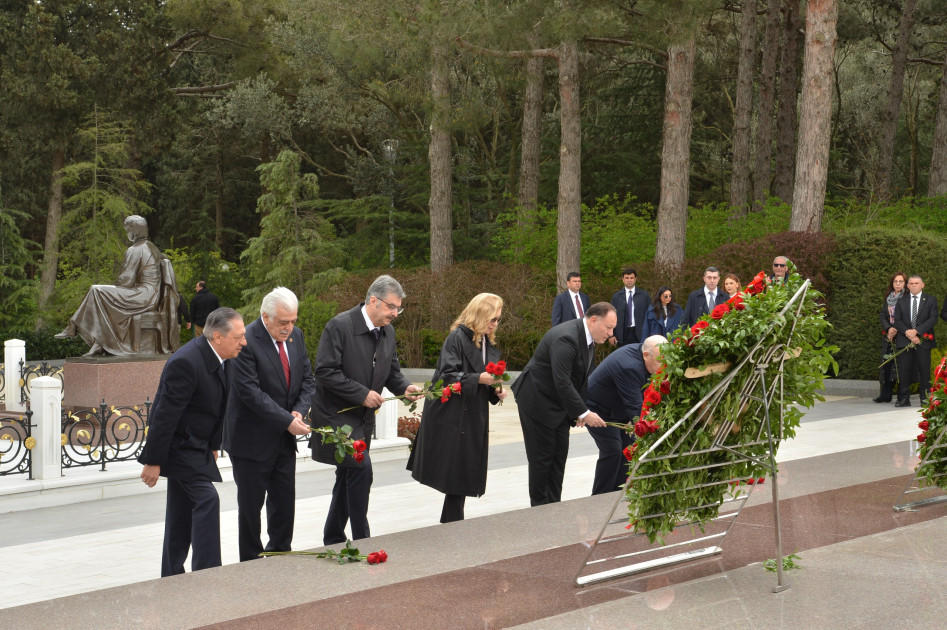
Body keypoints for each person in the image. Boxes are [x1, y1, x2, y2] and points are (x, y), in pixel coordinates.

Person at [309, 275, 422, 544]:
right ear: (373, 300)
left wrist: (404, 387)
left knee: (348, 475)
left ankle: (333, 536)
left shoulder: (387, 331)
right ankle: (363, 540)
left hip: (362, 419)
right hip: (336, 417)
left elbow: (392, 372)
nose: (395, 314)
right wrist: (362, 394)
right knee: (361, 470)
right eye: (391, 307)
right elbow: (325, 371)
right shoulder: (339, 326)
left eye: (398, 308)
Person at [138, 308, 247, 577]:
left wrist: (213, 444)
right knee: (207, 499)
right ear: (218, 337)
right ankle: (207, 576)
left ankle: (171, 575)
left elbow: (217, 407)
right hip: (178, 448)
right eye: (239, 337)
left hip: (196, 446)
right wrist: (153, 461)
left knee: (180, 512)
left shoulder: (225, 358)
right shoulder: (185, 362)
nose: (244, 342)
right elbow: (164, 415)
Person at [223, 287, 316, 561]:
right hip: (250, 440)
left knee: (284, 504)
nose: (289, 328)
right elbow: (250, 392)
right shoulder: (246, 340)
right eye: (283, 322)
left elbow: (308, 379)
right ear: (265, 316)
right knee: (251, 508)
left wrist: (298, 411)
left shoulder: (296, 336)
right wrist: (287, 420)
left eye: (293, 321)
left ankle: (280, 556)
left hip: (284, 438)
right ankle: (251, 562)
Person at [407, 293, 507, 523]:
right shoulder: (457, 338)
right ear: (480, 315)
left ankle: (452, 522)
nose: (495, 324)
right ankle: (452, 523)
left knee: (462, 471)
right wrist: (479, 379)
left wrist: (496, 390)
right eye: (492, 319)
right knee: (457, 471)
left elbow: (482, 377)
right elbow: (447, 376)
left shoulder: (485, 341)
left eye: (498, 319)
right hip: (453, 414)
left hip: (472, 413)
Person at [511, 302, 616, 506]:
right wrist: (584, 413)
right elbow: (562, 381)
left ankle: (554, 507)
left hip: (558, 403)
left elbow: (582, 379)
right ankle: (540, 510)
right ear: (594, 320)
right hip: (536, 400)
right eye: (609, 327)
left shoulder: (588, 338)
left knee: (558, 457)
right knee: (542, 459)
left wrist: (579, 410)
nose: (611, 333)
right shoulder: (566, 338)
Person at [55, 215, 177, 356]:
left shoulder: (135, 249)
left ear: (134, 231)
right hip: (151, 296)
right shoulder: (151, 247)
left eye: (128, 230)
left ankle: (74, 327)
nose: (127, 234)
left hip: (143, 295)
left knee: (96, 290)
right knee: (101, 295)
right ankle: (98, 343)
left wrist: (113, 290)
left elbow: (126, 281)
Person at [585, 335, 667, 495]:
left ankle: (619, 493)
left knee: (629, 449)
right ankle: (600, 497)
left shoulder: (648, 357)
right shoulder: (629, 367)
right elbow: (635, 407)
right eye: (660, 361)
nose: (663, 366)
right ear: (646, 355)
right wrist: (645, 426)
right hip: (598, 409)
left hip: (620, 408)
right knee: (613, 450)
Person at [893, 275, 938, 407]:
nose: (913, 285)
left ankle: (925, 398)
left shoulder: (930, 300)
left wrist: (917, 331)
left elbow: (933, 319)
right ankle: (904, 398)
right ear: (907, 286)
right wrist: (909, 333)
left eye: (916, 283)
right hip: (904, 339)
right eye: (911, 283)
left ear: (922, 285)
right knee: (904, 370)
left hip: (923, 340)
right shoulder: (901, 301)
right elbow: (897, 321)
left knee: (924, 370)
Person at [876, 272, 906, 403]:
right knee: (887, 364)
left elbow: (907, 318)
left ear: (905, 283)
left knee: (900, 366)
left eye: (901, 281)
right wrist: (888, 328)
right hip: (889, 335)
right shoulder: (889, 298)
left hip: (902, 335)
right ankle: (885, 394)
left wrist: (896, 329)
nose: (898, 284)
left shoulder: (907, 298)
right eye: (895, 281)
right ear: (892, 283)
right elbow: (883, 315)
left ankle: (901, 395)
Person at [610, 268, 650, 346]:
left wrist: (650, 333)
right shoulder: (617, 297)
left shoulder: (644, 296)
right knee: (623, 354)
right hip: (621, 335)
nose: (629, 280)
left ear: (635, 279)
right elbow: (611, 317)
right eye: (627, 278)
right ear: (623, 279)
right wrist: (611, 335)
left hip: (640, 333)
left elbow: (650, 315)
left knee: (639, 353)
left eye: (631, 278)